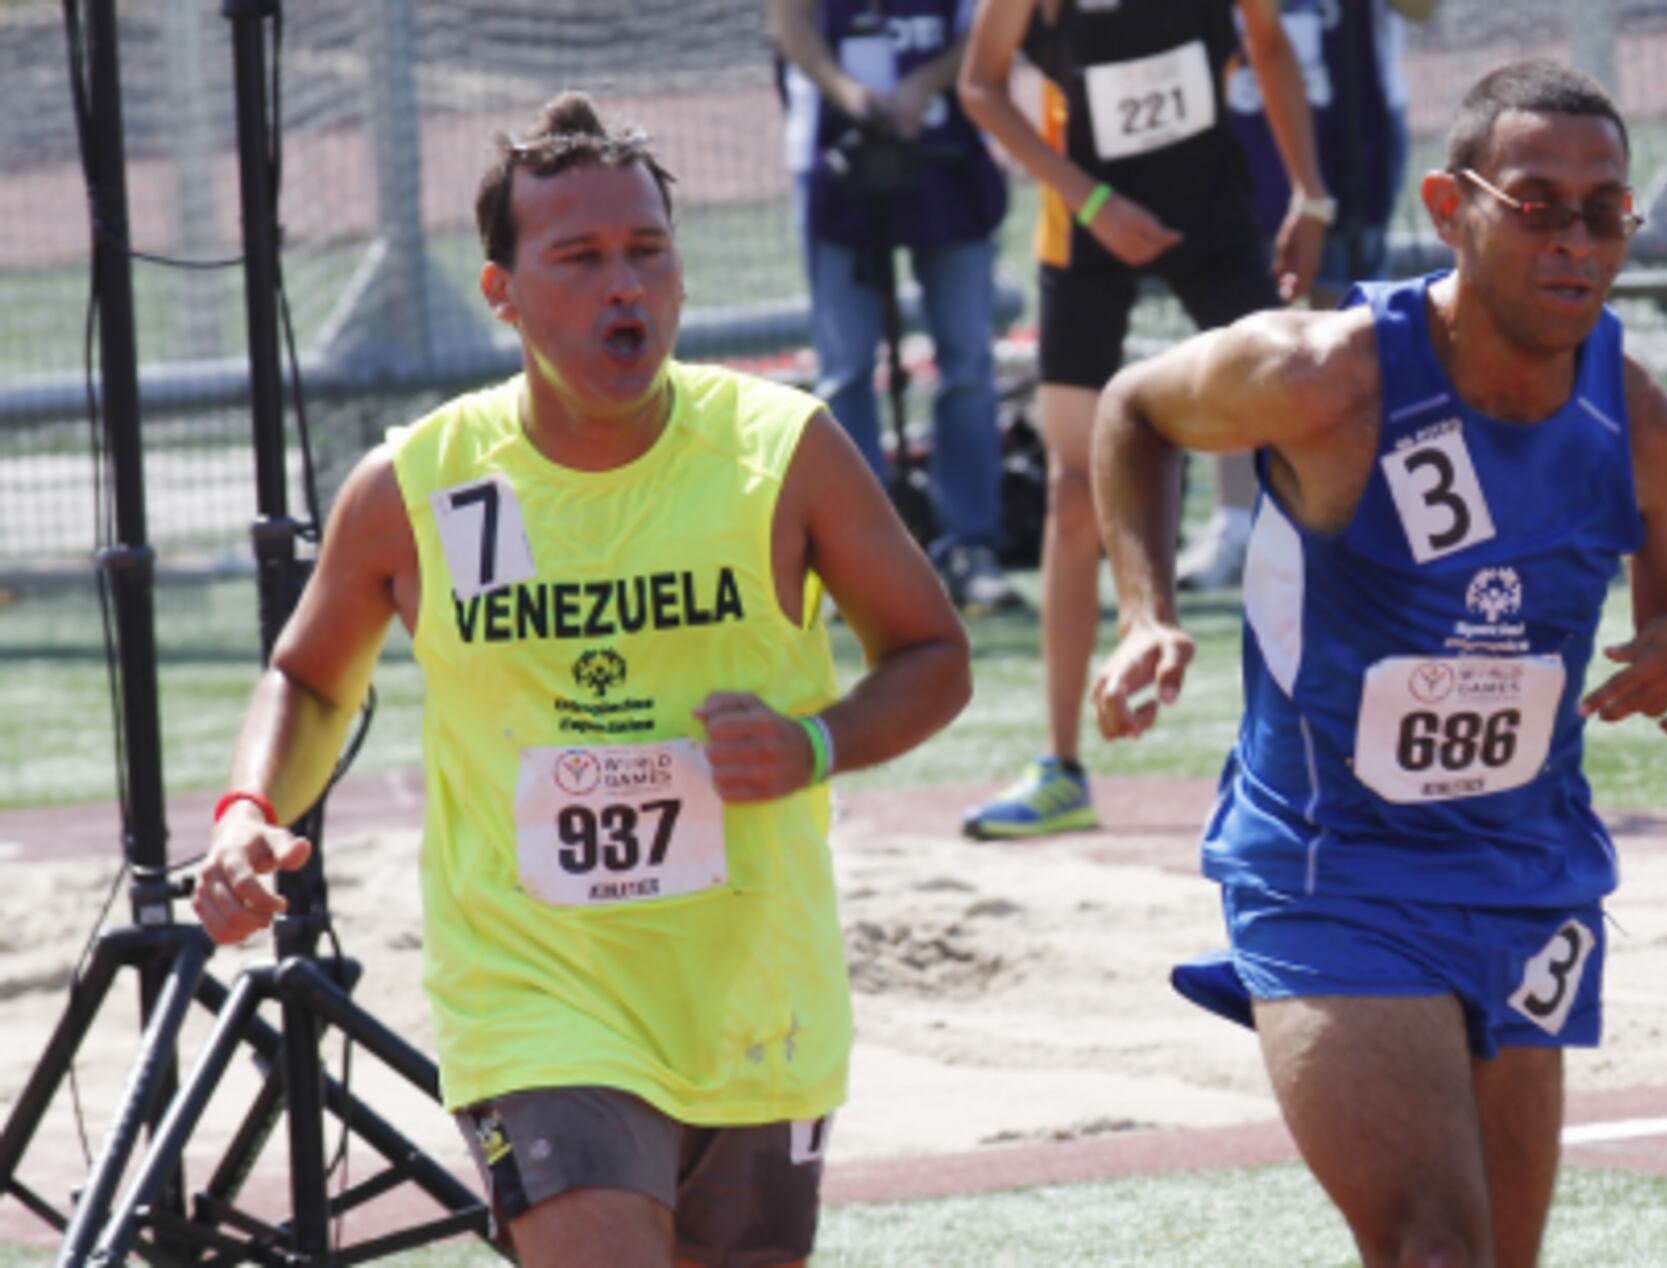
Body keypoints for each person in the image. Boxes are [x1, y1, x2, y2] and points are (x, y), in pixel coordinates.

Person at [190, 94, 972, 1266]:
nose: (627, 287)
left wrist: (813, 744)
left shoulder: (781, 450)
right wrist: (247, 814)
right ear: (502, 290)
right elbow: (308, 677)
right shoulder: (425, 483)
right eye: (582, 257)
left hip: (756, 998)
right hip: (535, 997)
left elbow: (933, 654)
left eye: (648, 252)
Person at [1087, 62, 1667, 1266]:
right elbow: (1132, 408)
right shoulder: (1328, 374)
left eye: (1605, 209)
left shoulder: (1641, 428)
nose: (1575, 238)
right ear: (1452, 210)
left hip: (1526, 876)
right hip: (1330, 870)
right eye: (1536, 200)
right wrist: (1142, 610)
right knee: (1432, 1245)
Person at [955, 0, 1331, 839]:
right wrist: (1089, 201)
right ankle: (1060, 766)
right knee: (1072, 487)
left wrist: (1312, 195)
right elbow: (981, 85)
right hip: (1085, 231)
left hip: (1214, 216)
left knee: (1308, 443)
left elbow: (1266, 42)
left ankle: (1337, 756)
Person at [772, 0, 1024, 614]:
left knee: (968, 361)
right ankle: (854, 557)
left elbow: (990, 28)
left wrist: (923, 83)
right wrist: (847, 91)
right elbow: (789, 23)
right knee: (846, 368)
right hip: (837, 160)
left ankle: (971, 546)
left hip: (950, 154)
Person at [1179, 0, 1437, 591]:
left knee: (1344, 345)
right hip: (1238, 135)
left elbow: (1424, 10)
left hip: (1351, 136)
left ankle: (1355, 522)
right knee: (1236, 337)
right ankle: (1238, 525)